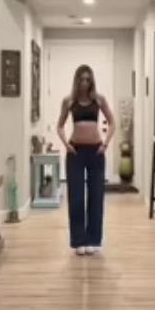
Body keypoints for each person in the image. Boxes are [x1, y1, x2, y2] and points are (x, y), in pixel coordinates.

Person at [57, 64, 115, 255]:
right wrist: (66, 145)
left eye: (88, 79)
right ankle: (78, 240)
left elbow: (112, 122)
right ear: (77, 80)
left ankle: (94, 239)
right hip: (75, 152)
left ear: (91, 81)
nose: (84, 83)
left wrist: (105, 144)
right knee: (76, 196)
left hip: (96, 151)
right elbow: (60, 126)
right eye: (81, 79)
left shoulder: (99, 99)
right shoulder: (69, 101)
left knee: (96, 195)